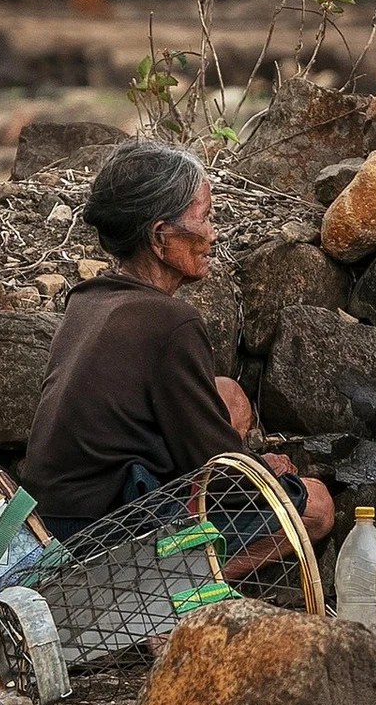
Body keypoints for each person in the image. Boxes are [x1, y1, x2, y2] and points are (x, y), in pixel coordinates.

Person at [23, 139, 333, 542]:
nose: (213, 232)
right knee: (318, 505)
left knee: (227, 394)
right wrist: (264, 470)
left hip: (50, 511)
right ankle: (181, 592)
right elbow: (217, 472)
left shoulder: (89, 297)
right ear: (159, 237)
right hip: (99, 529)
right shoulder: (172, 322)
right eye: (204, 218)